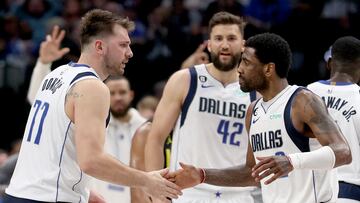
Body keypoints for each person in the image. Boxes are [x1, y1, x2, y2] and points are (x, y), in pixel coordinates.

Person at [4, 9, 181, 203]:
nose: (130, 53)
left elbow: (55, 146)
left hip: (18, 194)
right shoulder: (92, 87)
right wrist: (146, 180)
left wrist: (83, 192)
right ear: (99, 47)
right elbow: (91, 161)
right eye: (123, 45)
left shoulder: (56, 74)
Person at [169, 33, 352, 203]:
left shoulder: (302, 100)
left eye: (246, 62)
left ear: (268, 69)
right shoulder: (253, 111)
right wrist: (202, 175)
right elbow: (251, 173)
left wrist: (292, 161)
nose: (239, 69)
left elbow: (343, 152)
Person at [145, 11, 258, 203]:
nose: (224, 44)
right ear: (209, 43)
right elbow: (156, 138)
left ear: (243, 44)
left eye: (231, 38)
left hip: (238, 195)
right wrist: (156, 191)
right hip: (189, 193)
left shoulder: (256, 91)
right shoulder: (185, 80)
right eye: (218, 38)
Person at [307, 36, 360, 203]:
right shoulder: (358, 97)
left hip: (310, 187)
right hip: (348, 188)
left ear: (329, 63)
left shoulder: (305, 93)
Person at [88, 75, 146, 203]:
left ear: (131, 95)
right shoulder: (94, 125)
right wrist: (43, 64)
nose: (118, 97)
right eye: (112, 93)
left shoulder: (145, 128)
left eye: (122, 92)